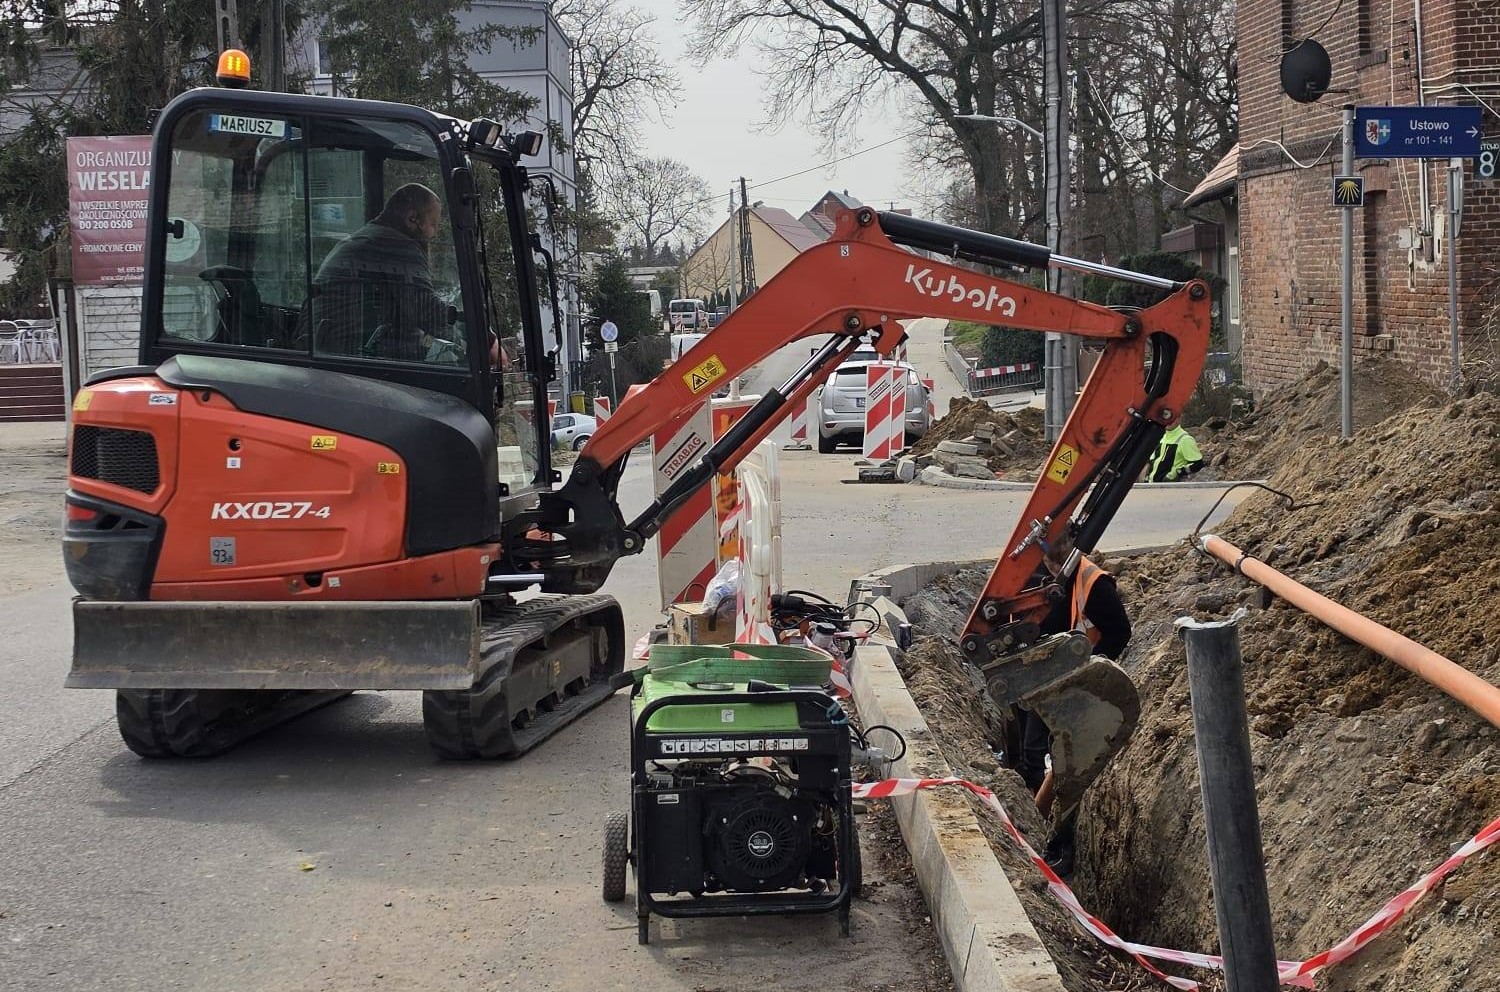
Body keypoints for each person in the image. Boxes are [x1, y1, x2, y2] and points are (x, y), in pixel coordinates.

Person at [1015, 532, 1131, 876]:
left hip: (1080, 687)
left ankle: (1060, 844)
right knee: (1032, 752)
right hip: (1049, 681)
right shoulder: (1044, 577)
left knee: (1066, 764)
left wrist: (1090, 669)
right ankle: (1033, 822)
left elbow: (1120, 631)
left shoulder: (1093, 584)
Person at [310, 183, 460, 363]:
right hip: (348, 355)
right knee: (447, 356)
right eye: (433, 224)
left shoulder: (368, 237)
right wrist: (474, 338)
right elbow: (426, 310)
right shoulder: (398, 245)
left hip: (330, 346)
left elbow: (405, 313)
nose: (433, 234)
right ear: (413, 218)